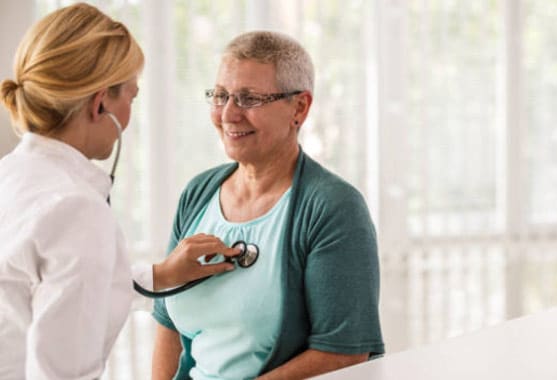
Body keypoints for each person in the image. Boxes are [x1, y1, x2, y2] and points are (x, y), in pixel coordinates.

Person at [0, 3, 239, 379]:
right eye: (130, 97)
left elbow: (44, 289)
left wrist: (161, 274)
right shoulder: (76, 209)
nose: (129, 114)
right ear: (100, 104)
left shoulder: (10, 176)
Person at [151, 30, 385, 380]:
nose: (229, 114)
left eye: (249, 99)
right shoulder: (198, 193)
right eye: (220, 95)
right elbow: (166, 322)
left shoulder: (333, 208)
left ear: (299, 107)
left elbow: (342, 353)